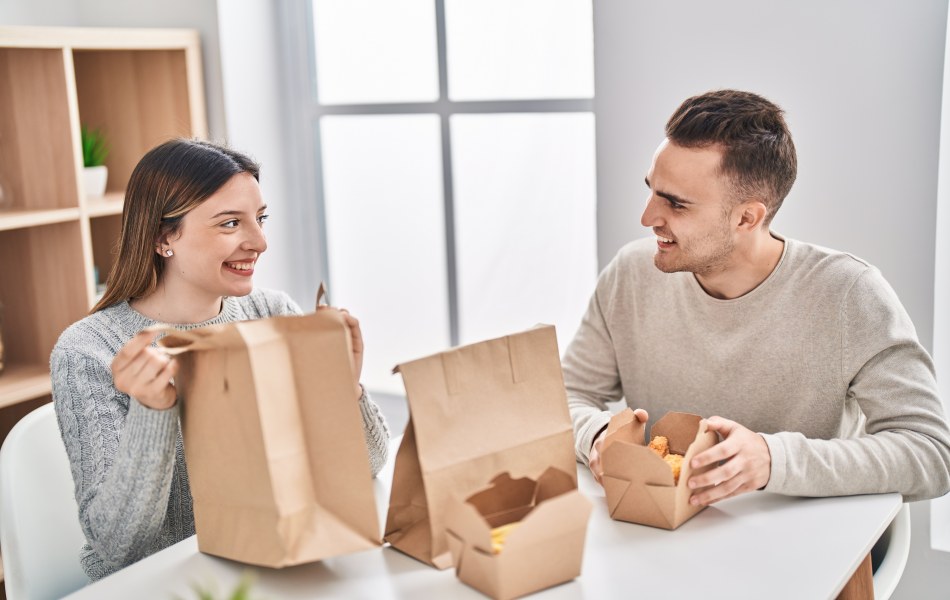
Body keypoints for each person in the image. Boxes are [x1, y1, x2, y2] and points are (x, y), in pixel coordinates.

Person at [563, 89, 950, 506]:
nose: (647, 218)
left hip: (806, 539)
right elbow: (566, 395)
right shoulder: (631, 273)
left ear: (747, 217)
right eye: (652, 190)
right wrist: (597, 436)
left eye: (675, 204)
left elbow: (930, 454)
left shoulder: (849, 294)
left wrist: (772, 459)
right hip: (661, 532)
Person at [50, 139, 390, 581]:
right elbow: (119, 548)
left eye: (260, 219)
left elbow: (368, 466)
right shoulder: (89, 350)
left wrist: (343, 388)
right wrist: (153, 412)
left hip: (267, 562)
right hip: (163, 584)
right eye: (230, 223)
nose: (260, 242)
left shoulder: (272, 312)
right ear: (163, 237)